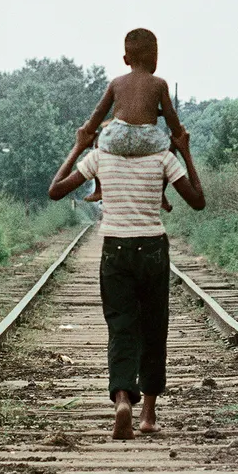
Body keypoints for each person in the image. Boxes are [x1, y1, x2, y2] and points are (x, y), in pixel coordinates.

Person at [49, 31, 205, 440]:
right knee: (154, 329)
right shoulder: (163, 156)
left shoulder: (101, 154)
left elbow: (55, 190)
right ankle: (148, 415)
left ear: (124, 58)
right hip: (152, 247)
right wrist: (185, 150)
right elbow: (198, 201)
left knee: (122, 328)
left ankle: (122, 399)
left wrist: (79, 145)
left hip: (114, 248)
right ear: (155, 58)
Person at [80, 28, 187, 210]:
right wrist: (178, 133)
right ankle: (160, 193)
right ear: (155, 58)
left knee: (99, 143)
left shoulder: (116, 83)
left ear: (126, 59)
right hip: (148, 139)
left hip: (118, 138)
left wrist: (89, 130)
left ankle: (99, 188)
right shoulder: (159, 84)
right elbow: (170, 114)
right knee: (170, 151)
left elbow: (100, 111)